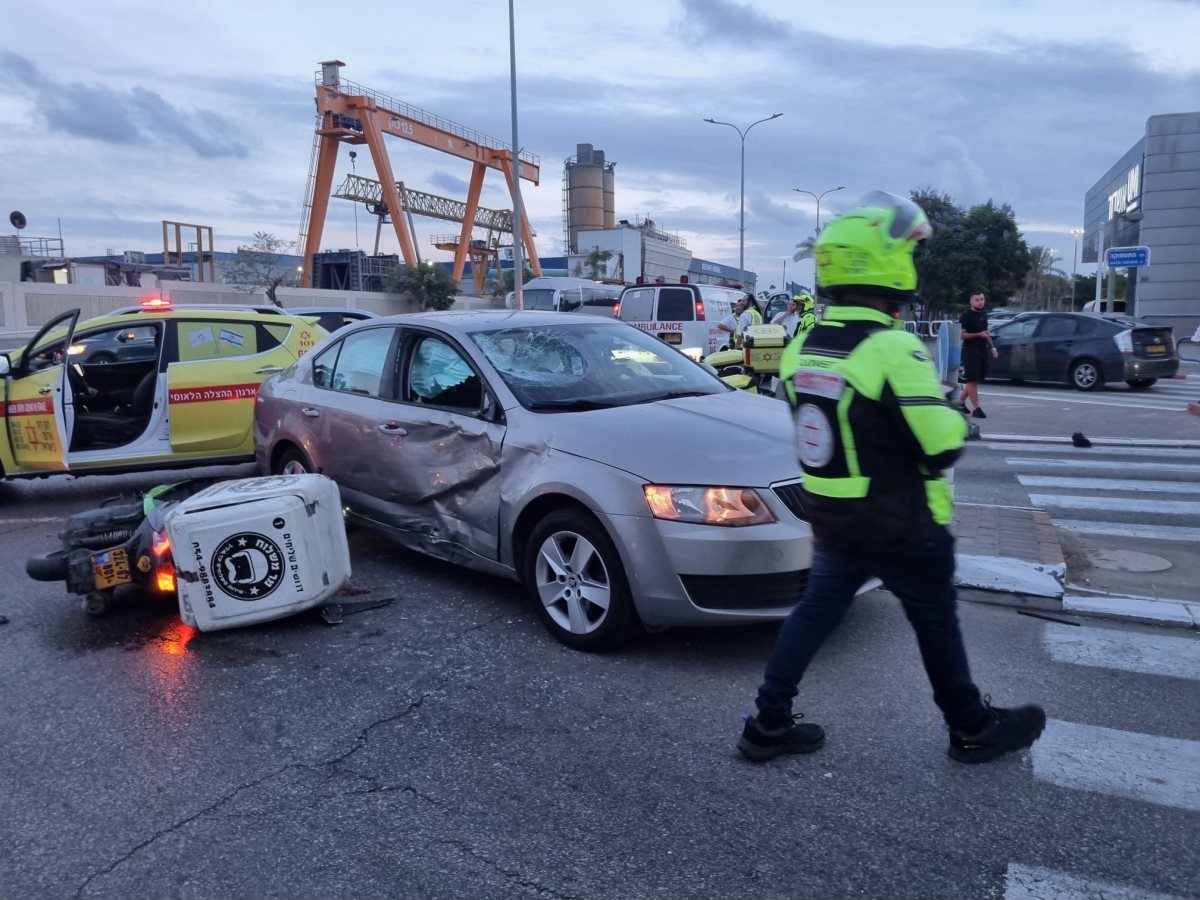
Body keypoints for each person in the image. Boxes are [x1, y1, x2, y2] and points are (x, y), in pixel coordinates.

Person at [737, 191, 1045, 765]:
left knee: (812, 615)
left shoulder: (804, 344)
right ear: (886, 266)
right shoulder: (893, 347)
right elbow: (941, 444)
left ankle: (767, 724)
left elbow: (807, 419)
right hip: (900, 522)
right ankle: (970, 725)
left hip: (831, 517)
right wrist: (952, 411)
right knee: (935, 621)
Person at [957, 291, 998, 418]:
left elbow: (985, 333)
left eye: (982, 299)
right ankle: (976, 408)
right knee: (972, 379)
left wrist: (992, 347)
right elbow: (961, 335)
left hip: (982, 349)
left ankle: (959, 403)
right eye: (977, 300)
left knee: (975, 380)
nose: (980, 302)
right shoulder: (966, 316)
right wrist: (977, 335)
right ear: (971, 301)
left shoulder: (983, 315)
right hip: (970, 350)